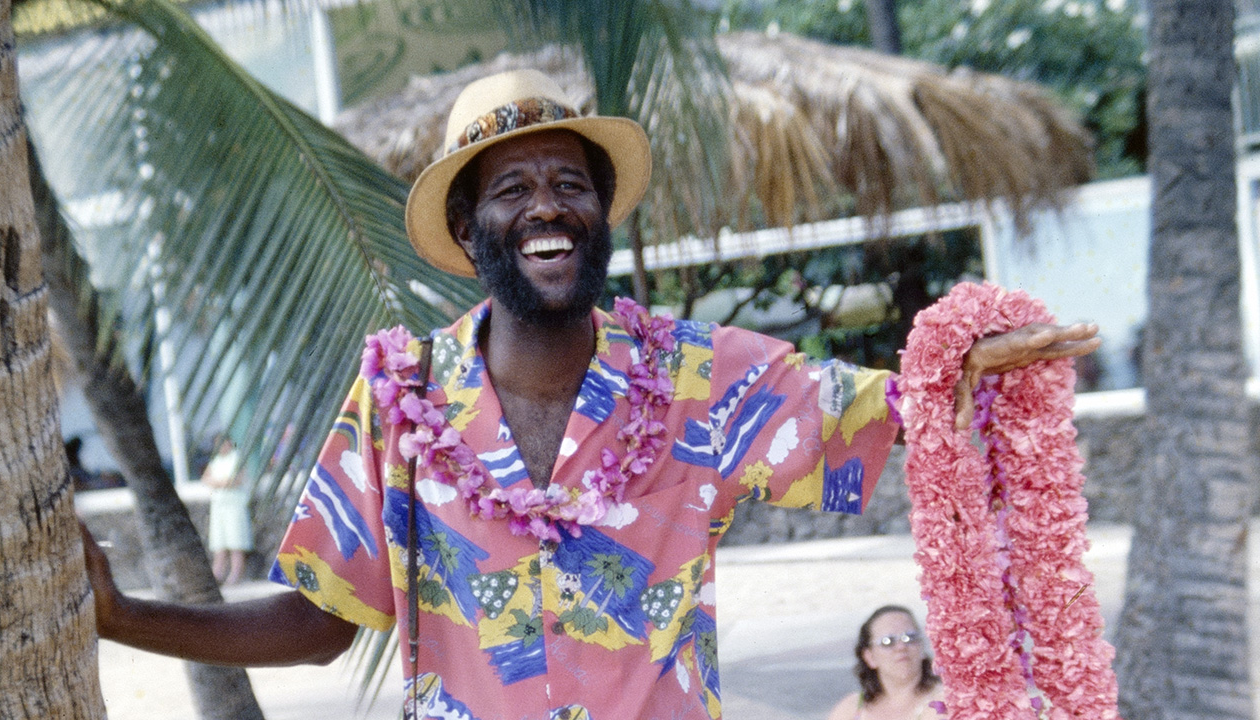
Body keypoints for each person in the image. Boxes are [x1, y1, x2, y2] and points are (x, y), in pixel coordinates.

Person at [80, 69, 1100, 719]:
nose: (545, 206)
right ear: (473, 231)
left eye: (568, 182)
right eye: (511, 189)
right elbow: (319, 622)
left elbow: (883, 407)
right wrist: (120, 613)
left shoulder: (705, 382)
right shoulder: (399, 398)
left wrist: (973, 359)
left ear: (600, 213)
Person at [827, 606, 944, 720]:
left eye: (909, 637)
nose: (901, 647)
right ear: (869, 657)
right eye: (888, 641)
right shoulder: (851, 709)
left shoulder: (945, 703)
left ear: (922, 647)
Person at [200, 436, 254, 585]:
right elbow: (206, 478)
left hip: (234, 505)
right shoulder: (216, 461)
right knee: (219, 542)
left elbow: (235, 480)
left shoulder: (236, 459)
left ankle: (236, 574)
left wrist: (220, 483)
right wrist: (220, 482)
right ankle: (217, 575)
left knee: (236, 541)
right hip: (219, 505)